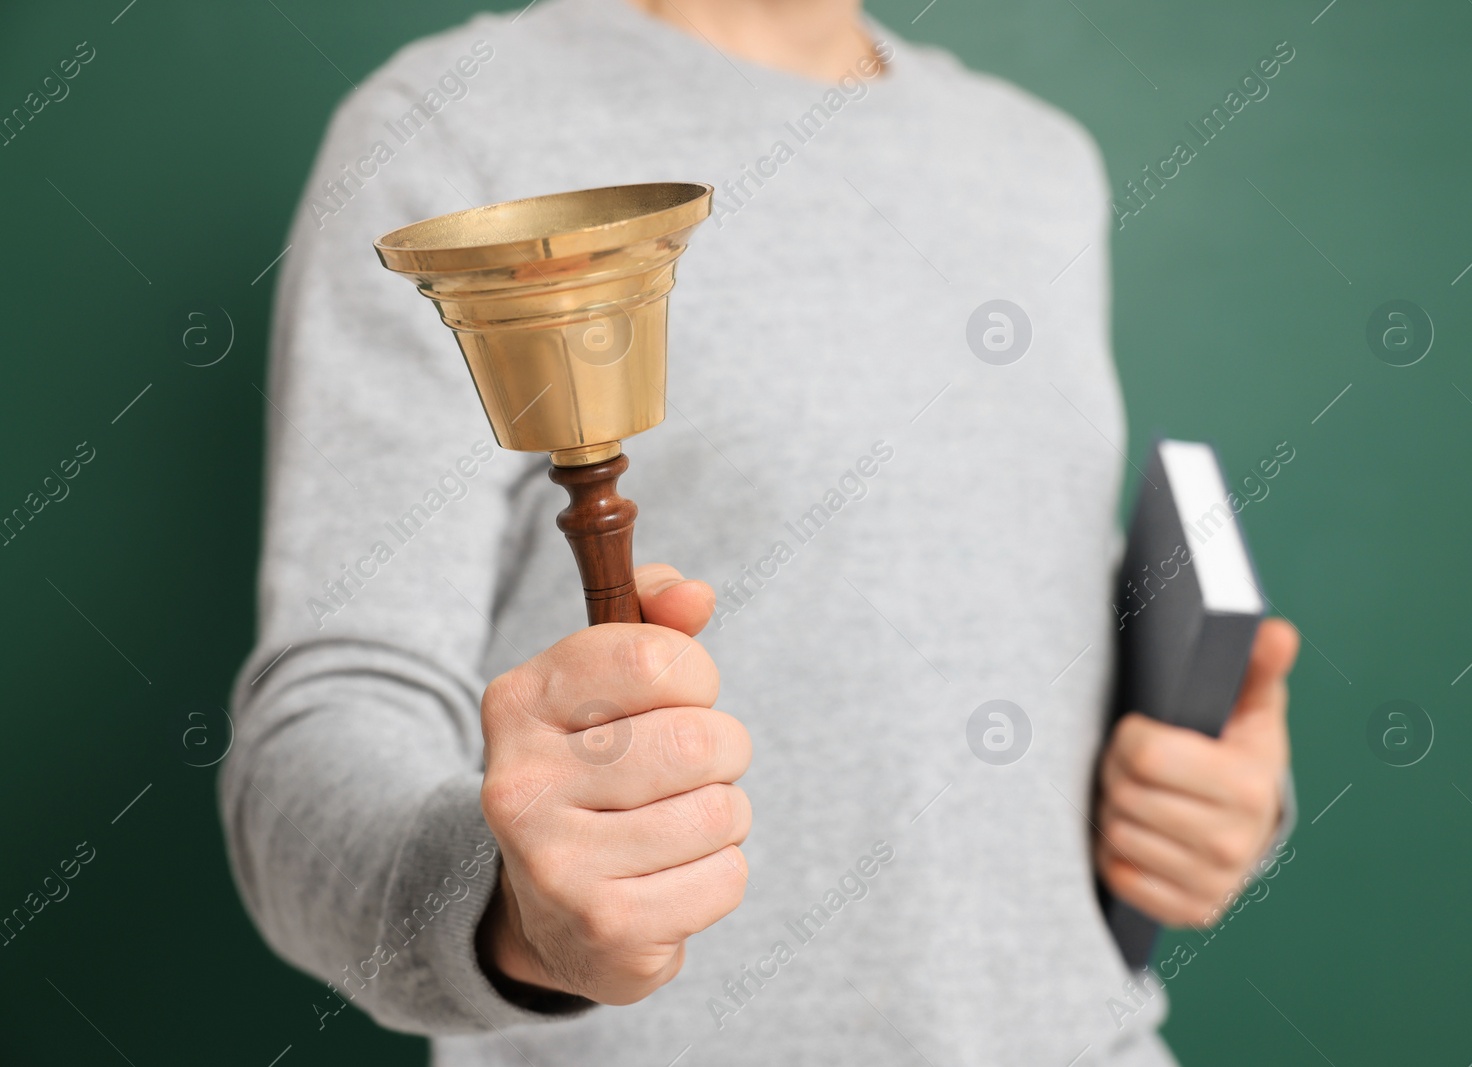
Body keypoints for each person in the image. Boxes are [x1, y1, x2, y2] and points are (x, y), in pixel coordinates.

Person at [224, 0, 1300, 1063]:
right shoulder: (454, 126)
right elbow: (314, 750)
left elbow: (979, 601)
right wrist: (514, 913)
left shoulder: (1038, 161)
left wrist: (1203, 800)